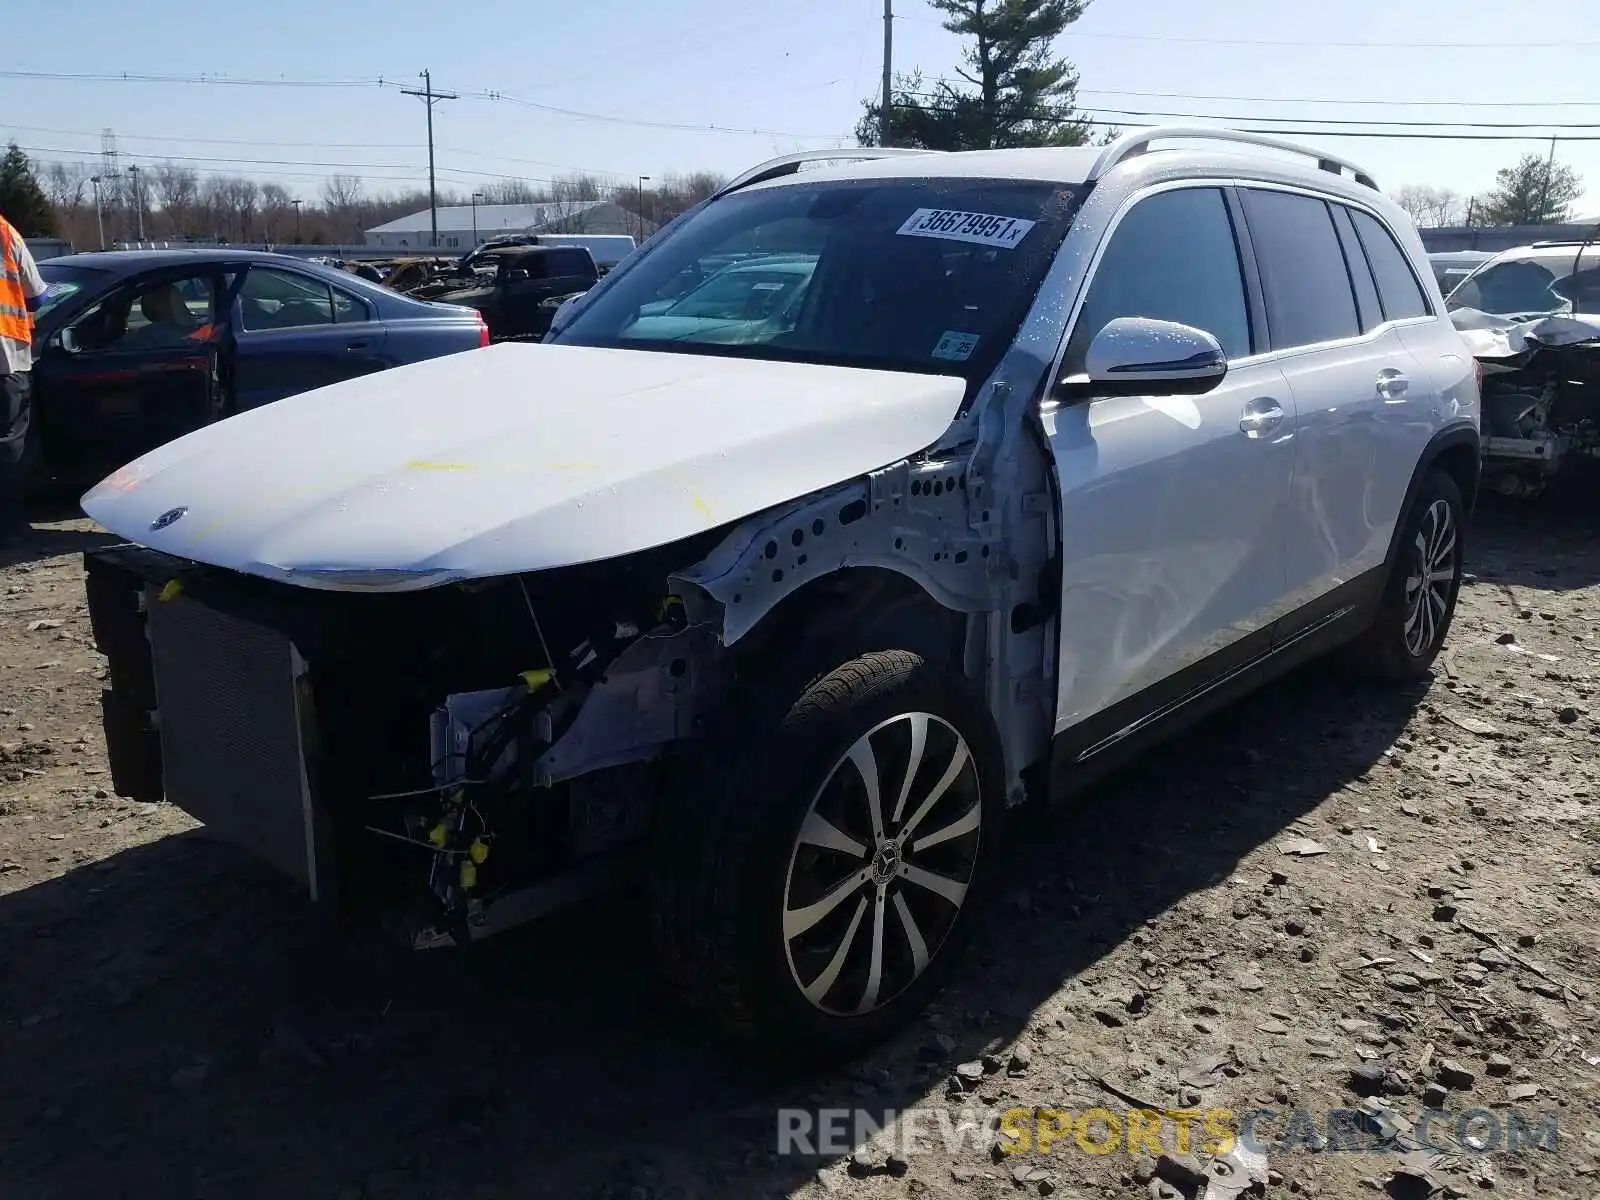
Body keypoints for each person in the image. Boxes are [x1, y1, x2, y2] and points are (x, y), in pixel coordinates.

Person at [0, 212, 47, 546]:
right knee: (7, 446)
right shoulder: (5, 233)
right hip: (6, 358)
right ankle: (8, 527)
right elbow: (38, 296)